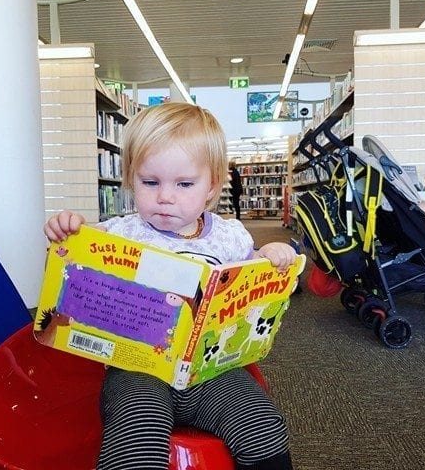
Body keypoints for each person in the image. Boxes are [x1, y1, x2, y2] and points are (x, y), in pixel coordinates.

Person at [44, 102, 297, 470]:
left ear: (212, 186)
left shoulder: (229, 237)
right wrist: (66, 230)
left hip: (212, 373)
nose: (165, 196)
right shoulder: (120, 232)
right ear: (130, 179)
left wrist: (273, 253)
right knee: (135, 437)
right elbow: (73, 265)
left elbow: (254, 274)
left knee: (263, 426)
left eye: (184, 184)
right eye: (150, 182)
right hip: (136, 371)